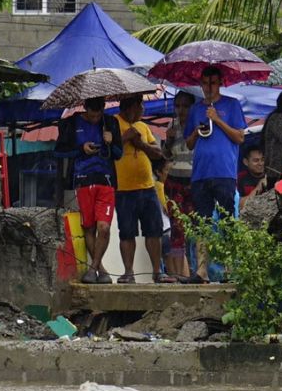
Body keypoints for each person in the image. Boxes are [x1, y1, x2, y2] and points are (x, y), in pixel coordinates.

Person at [184, 65, 246, 281]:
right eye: (205, 83)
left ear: (220, 83)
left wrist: (217, 119)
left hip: (224, 172)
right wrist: (195, 130)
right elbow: (189, 144)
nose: (208, 87)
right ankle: (201, 270)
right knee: (203, 221)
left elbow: (239, 137)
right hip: (201, 172)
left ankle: (230, 269)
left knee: (228, 220)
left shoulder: (232, 104)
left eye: (212, 83)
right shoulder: (194, 110)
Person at [55, 96, 124, 284]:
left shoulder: (111, 122)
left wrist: (110, 142)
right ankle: (100, 270)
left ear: (103, 108)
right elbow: (59, 152)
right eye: (91, 115)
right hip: (83, 180)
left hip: (106, 181)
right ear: (85, 108)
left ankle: (93, 268)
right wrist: (81, 149)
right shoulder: (70, 123)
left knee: (104, 227)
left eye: (98, 114)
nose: (95, 118)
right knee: (89, 227)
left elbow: (119, 154)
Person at [112, 95, 170, 284]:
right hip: (123, 188)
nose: (143, 110)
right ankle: (128, 272)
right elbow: (108, 150)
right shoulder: (112, 123)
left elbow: (158, 153)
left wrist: (140, 144)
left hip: (147, 187)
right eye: (141, 106)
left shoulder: (143, 127)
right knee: (127, 232)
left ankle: (156, 271)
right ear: (131, 107)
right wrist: (124, 138)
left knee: (154, 230)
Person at [162, 91, 197, 276]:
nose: (181, 110)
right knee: (176, 228)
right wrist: (168, 139)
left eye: (185, 106)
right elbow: (166, 155)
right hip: (175, 181)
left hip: (194, 180)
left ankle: (195, 270)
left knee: (197, 226)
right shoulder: (172, 125)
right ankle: (177, 274)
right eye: (178, 106)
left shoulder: (198, 125)